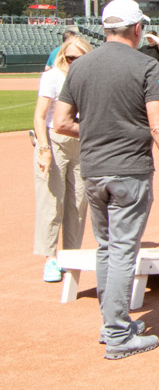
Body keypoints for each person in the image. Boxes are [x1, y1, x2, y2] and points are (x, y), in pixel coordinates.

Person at [53, 0, 159, 360]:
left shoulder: (80, 66)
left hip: (93, 170)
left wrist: (98, 131)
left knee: (106, 247)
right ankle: (117, 334)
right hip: (129, 169)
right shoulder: (146, 65)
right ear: (136, 29)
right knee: (124, 251)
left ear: (105, 28)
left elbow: (61, 122)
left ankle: (111, 323)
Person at [32, 36, 93, 283]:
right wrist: (44, 148)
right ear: (62, 57)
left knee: (78, 202)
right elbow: (39, 116)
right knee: (52, 201)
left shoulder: (91, 78)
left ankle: (70, 256)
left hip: (81, 142)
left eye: (78, 58)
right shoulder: (53, 77)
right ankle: (50, 258)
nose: (73, 62)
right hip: (54, 141)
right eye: (69, 58)